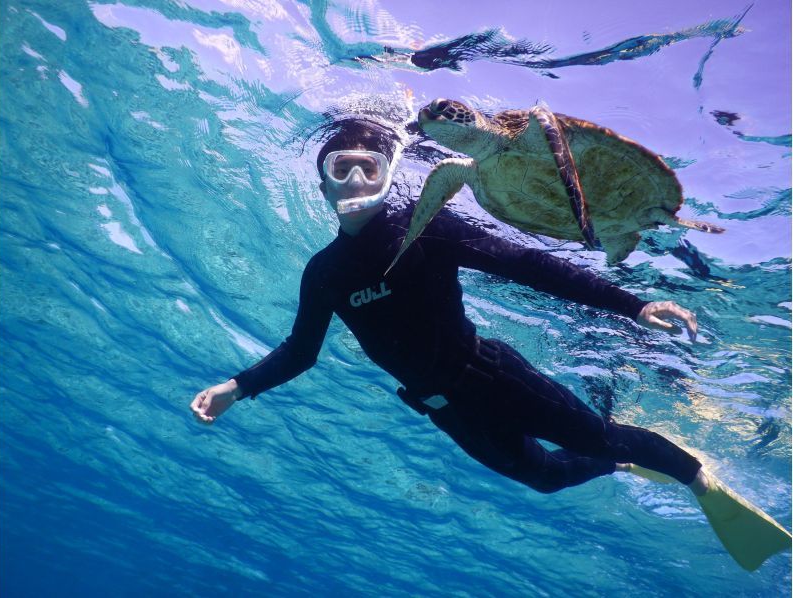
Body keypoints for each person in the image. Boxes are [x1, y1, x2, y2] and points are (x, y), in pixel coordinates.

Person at [191, 118, 790, 570]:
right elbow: (301, 351)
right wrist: (237, 387)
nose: (355, 179)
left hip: (490, 373)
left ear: (388, 170)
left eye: (369, 165)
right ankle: (620, 462)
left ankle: (694, 478)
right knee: (547, 478)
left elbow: (528, 266)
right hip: (440, 408)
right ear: (322, 184)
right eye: (340, 168)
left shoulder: (427, 225)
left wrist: (633, 304)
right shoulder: (323, 273)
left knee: (593, 434)